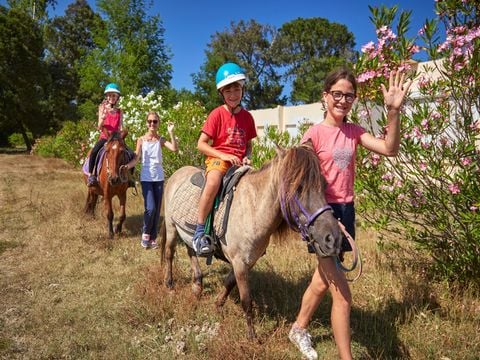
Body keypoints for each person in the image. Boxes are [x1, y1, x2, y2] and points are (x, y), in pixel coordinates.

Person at [288, 67, 412, 360]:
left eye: (349, 95)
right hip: (322, 215)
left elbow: (389, 149)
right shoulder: (314, 134)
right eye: (337, 94)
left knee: (323, 278)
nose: (343, 100)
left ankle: (298, 327)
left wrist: (393, 112)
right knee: (342, 294)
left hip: (346, 210)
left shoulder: (354, 131)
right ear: (325, 96)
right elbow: (298, 178)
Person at [192, 62, 257, 256]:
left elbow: (249, 145)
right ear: (221, 92)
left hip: (238, 163)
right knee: (213, 182)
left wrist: (247, 157)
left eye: (236, 88)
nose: (233, 94)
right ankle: (199, 231)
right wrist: (223, 155)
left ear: (242, 89)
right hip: (218, 160)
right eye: (228, 90)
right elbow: (201, 144)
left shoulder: (247, 117)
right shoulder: (217, 114)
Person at [123, 111, 178, 249]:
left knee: (157, 209)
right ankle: (146, 233)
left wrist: (171, 133)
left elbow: (174, 149)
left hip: (159, 178)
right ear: (146, 123)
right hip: (146, 178)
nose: (152, 124)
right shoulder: (141, 140)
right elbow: (136, 158)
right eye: (150, 121)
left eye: (155, 121)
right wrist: (127, 166)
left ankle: (153, 238)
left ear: (158, 123)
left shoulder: (161, 140)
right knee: (150, 208)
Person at [87, 83, 124, 186]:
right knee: (94, 152)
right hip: (105, 137)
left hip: (116, 138)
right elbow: (99, 127)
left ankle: (129, 177)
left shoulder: (120, 111)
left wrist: (121, 134)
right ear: (106, 97)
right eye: (109, 95)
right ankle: (91, 175)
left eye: (114, 96)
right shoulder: (102, 108)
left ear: (117, 97)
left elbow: (120, 126)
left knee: (128, 153)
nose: (111, 98)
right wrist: (102, 118)